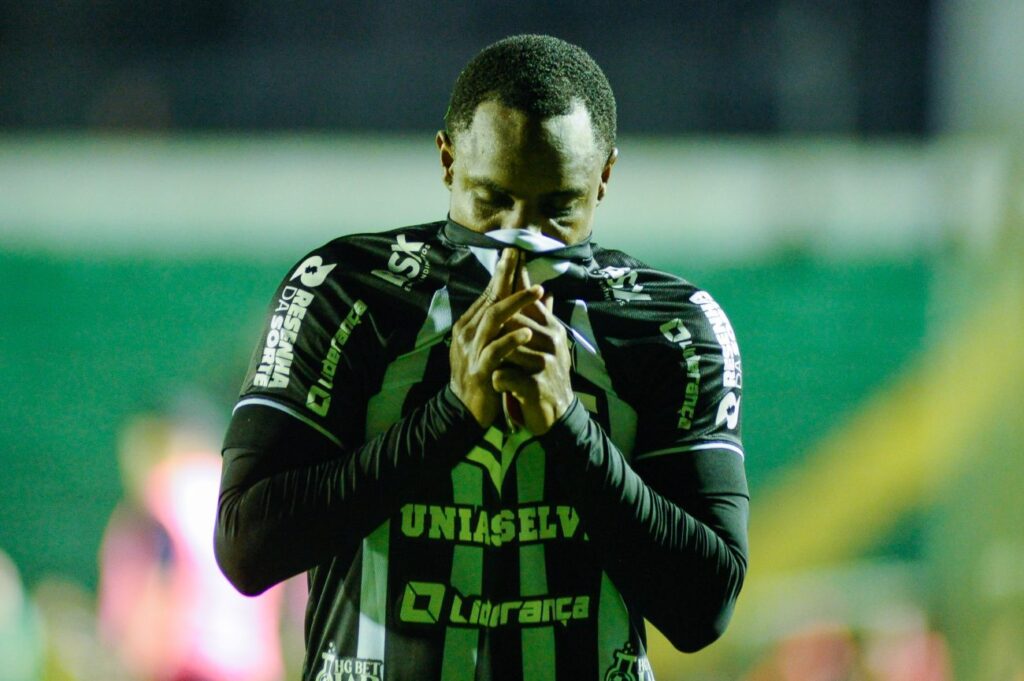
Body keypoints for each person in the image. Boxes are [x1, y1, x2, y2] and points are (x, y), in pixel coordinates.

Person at [215, 34, 748, 681]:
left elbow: (703, 608)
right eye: (491, 199)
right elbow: (247, 547)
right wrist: (450, 415)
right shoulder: (347, 293)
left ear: (604, 175)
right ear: (446, 161)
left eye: (558, 209)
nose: (517, 238)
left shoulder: (671, 326)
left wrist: (568, 426)